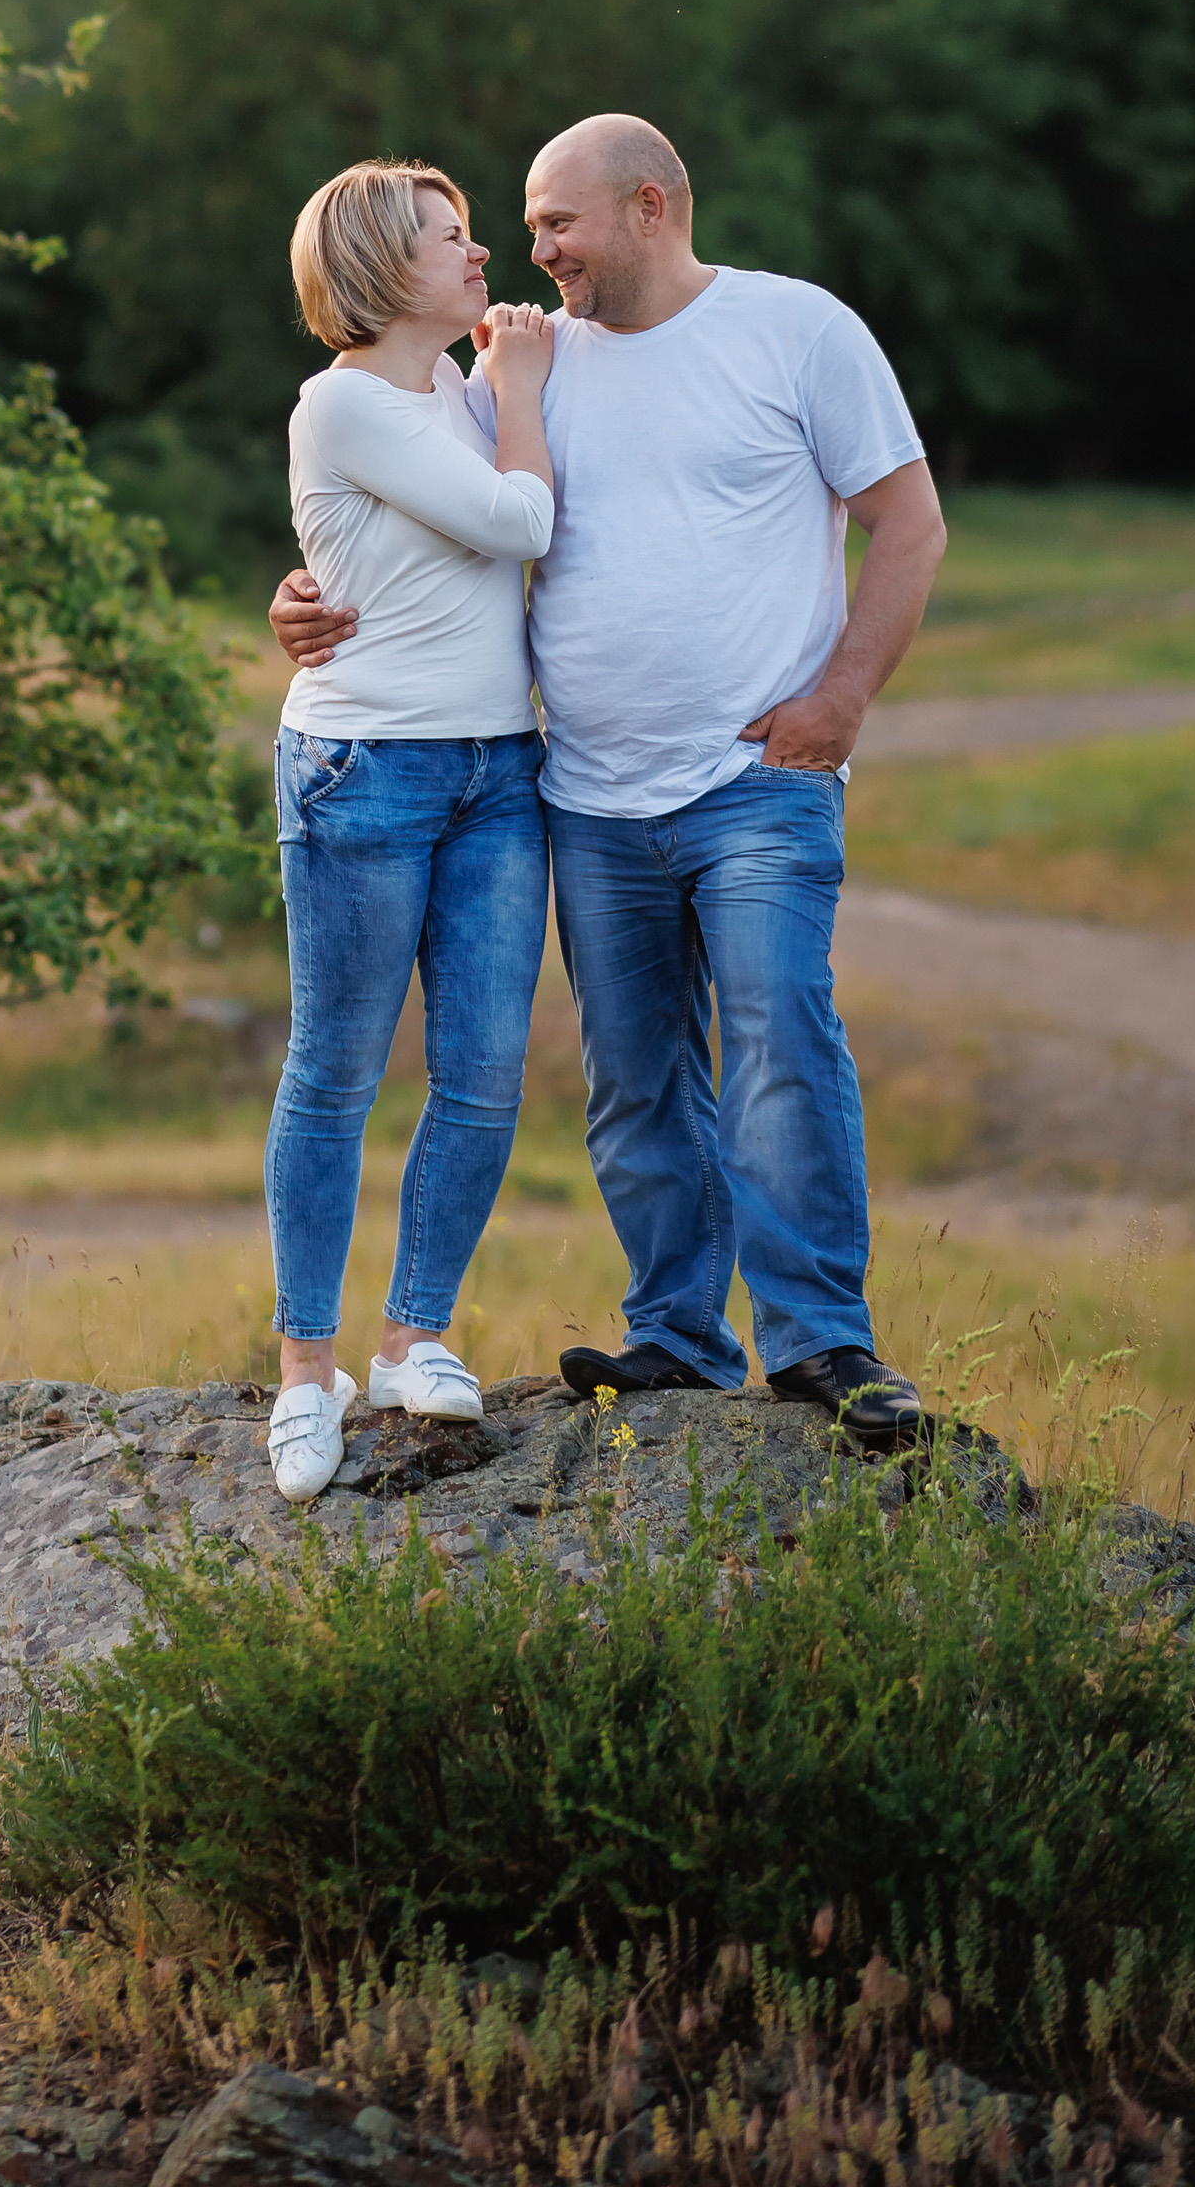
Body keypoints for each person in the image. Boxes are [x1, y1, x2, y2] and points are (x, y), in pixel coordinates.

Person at [270, 114, 948, 1455]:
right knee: (636, 1078)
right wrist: (299, 598)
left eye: (556, 223)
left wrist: (842, 700)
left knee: (776, 1043)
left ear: (650, 207)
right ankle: (681, 1337)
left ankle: (823, 1345)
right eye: (516, 228)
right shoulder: (524, 366)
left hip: (758, 777)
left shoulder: (796, 330)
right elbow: (388, 499)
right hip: (579, 791)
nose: (534, 251)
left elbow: (910, 520)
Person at [261, 160, 558, 1503]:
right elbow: (520, 520)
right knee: (336, 1073)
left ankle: (414, 1337)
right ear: (386, 266)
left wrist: (510, 385)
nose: (484, 253)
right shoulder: (342, 405)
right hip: (366, 769)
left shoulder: (457, 385)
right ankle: (304, 1372)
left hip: (499, 769)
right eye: (453, 238)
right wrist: (529, 394)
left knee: (486, 1073)